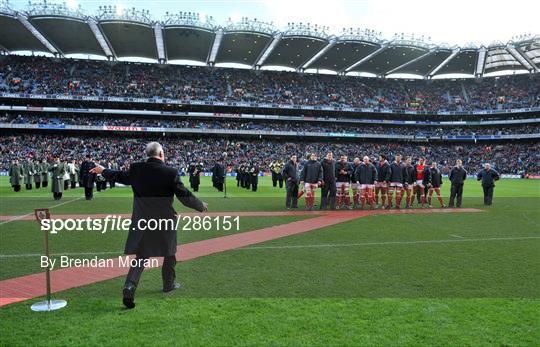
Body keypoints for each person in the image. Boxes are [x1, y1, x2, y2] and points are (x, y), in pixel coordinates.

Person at [90, 142, 208, 309]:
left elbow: (119, 176)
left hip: (143, 220)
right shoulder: (170, 172)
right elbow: (184, 195)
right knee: (170, 253)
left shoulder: (136, 169)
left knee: (142, 256)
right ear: (160, 154)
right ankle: (169, 284)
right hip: (165, 220)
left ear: (147, 154)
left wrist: (102, 170)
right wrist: (200, 205)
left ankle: (129, 286)